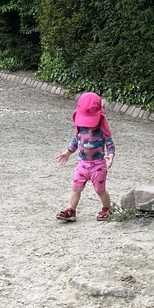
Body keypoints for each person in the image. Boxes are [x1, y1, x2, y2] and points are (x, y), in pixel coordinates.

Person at [55, 92, 115, 222]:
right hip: (82, 164)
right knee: (76, 188)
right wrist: (68, 152)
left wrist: (110, 155)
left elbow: (110, 143)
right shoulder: (81, 127)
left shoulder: (101, 129)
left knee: (100, 190)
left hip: (98, 166)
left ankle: (107, 208)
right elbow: (76, 141)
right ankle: (71, 209)